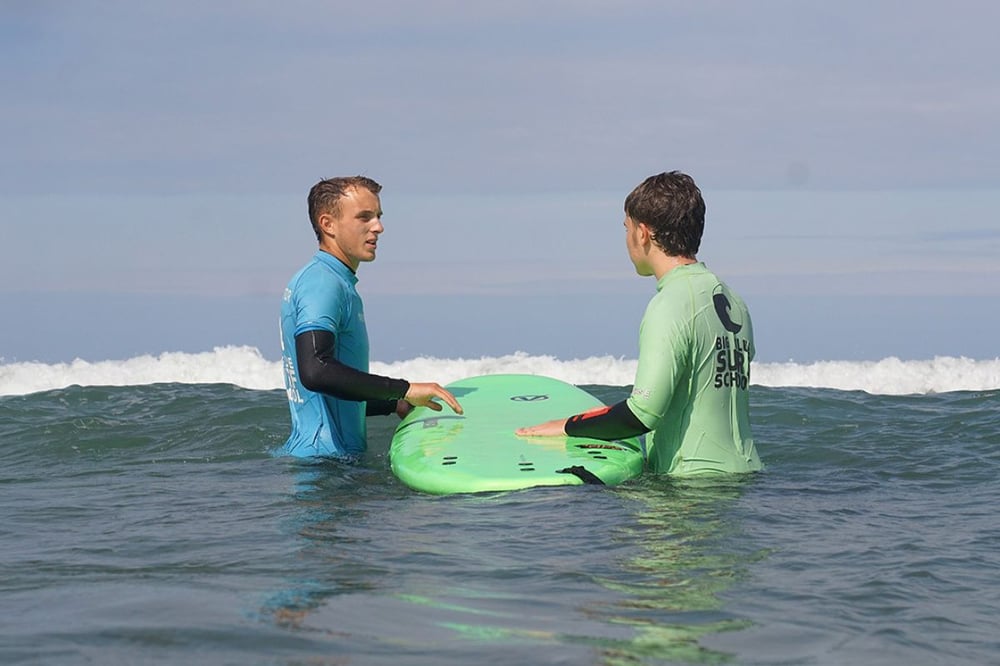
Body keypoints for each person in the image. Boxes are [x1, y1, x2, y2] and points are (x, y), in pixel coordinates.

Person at [517, 171, 761, 476]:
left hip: (690, 489)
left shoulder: (670, 304)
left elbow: (643, 413)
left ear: (642, 233)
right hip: (746, 478)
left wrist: (566, 427)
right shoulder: (733, 300)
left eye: (626, 228)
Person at [279, 175, 462, 459]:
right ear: (328, 224)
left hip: (325, 461)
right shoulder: (322, 284)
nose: (378, 227)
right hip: (327, 466)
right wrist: (404, 389)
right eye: (364, 217)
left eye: (377, 216)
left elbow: (329, 394)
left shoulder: (329, 280)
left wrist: (393, 403)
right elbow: (315, 370)